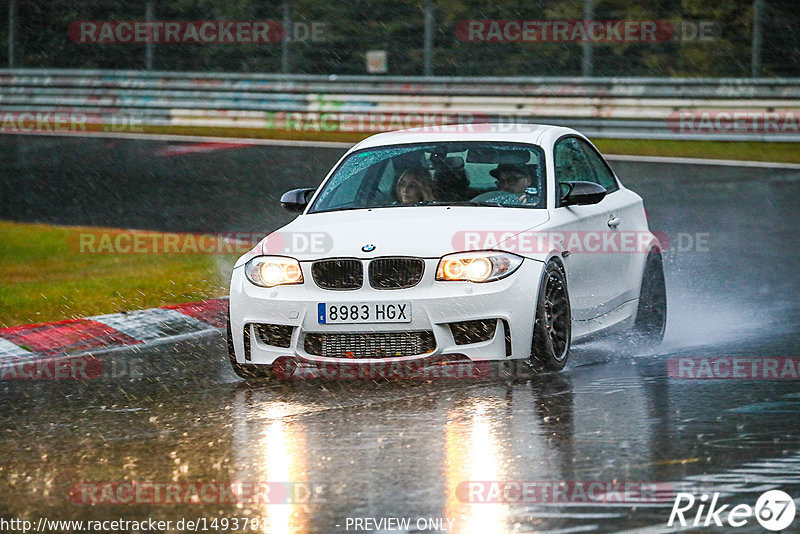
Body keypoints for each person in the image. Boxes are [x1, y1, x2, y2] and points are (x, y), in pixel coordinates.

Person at [472, 163, 541, 206]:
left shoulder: (541, 201)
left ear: (528, 180)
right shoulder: (488, 201)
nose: (505, 186)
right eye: (501, 181)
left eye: (512, 180)